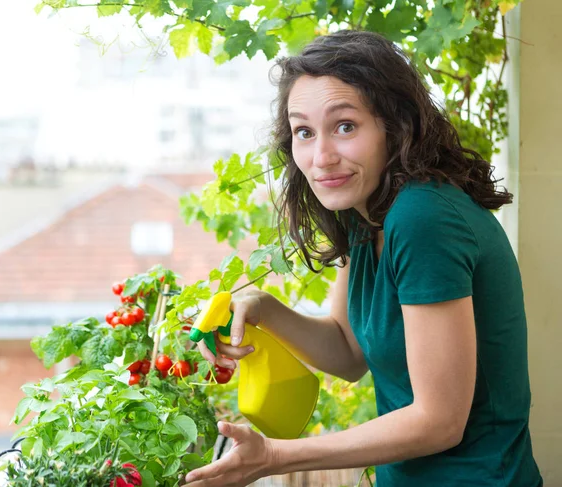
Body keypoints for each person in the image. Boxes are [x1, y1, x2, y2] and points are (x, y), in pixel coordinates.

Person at [184, 30, 543, 487]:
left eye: (345, 126)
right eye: (304, 132)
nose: (321, 157)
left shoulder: (422, 217)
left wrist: (275, 456)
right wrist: (262, 308)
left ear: (396, 127)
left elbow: (440, 421)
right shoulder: (367, 211)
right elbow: (348, 352)